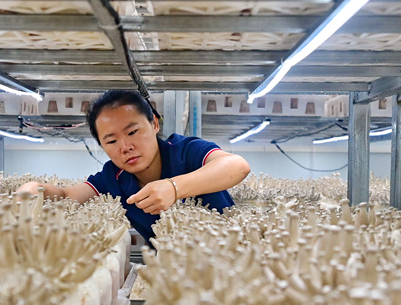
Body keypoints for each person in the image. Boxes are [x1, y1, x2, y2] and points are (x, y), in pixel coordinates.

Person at [17, 90, 251, 242]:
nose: (125, 146)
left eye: (132, 131)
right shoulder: (114, 179)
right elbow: (66, 195)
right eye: (111, 141)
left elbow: (237, 165)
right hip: (176, 276)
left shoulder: (185, 152)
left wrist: (174, 187)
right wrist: (34, 189)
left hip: (234, 261)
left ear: (154, 124)